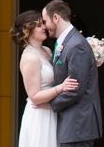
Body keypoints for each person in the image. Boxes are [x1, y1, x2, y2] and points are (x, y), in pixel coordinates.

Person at [11, 9, 79, 147]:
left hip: (52, 110)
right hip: (40, 115)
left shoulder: (47, 51)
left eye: (43, 24)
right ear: (26, 31)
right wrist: (61, 88)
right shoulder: (30, 57)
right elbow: (34, 96)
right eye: (38, 25)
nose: (44, 27)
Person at [43, 0, 102, 147]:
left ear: (56, 18)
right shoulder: (68, 42)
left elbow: (75, 89)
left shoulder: (76, 46)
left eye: (45, 21)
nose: (44, 27)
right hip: (73, 126)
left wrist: (48, 104)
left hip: (78, 125)